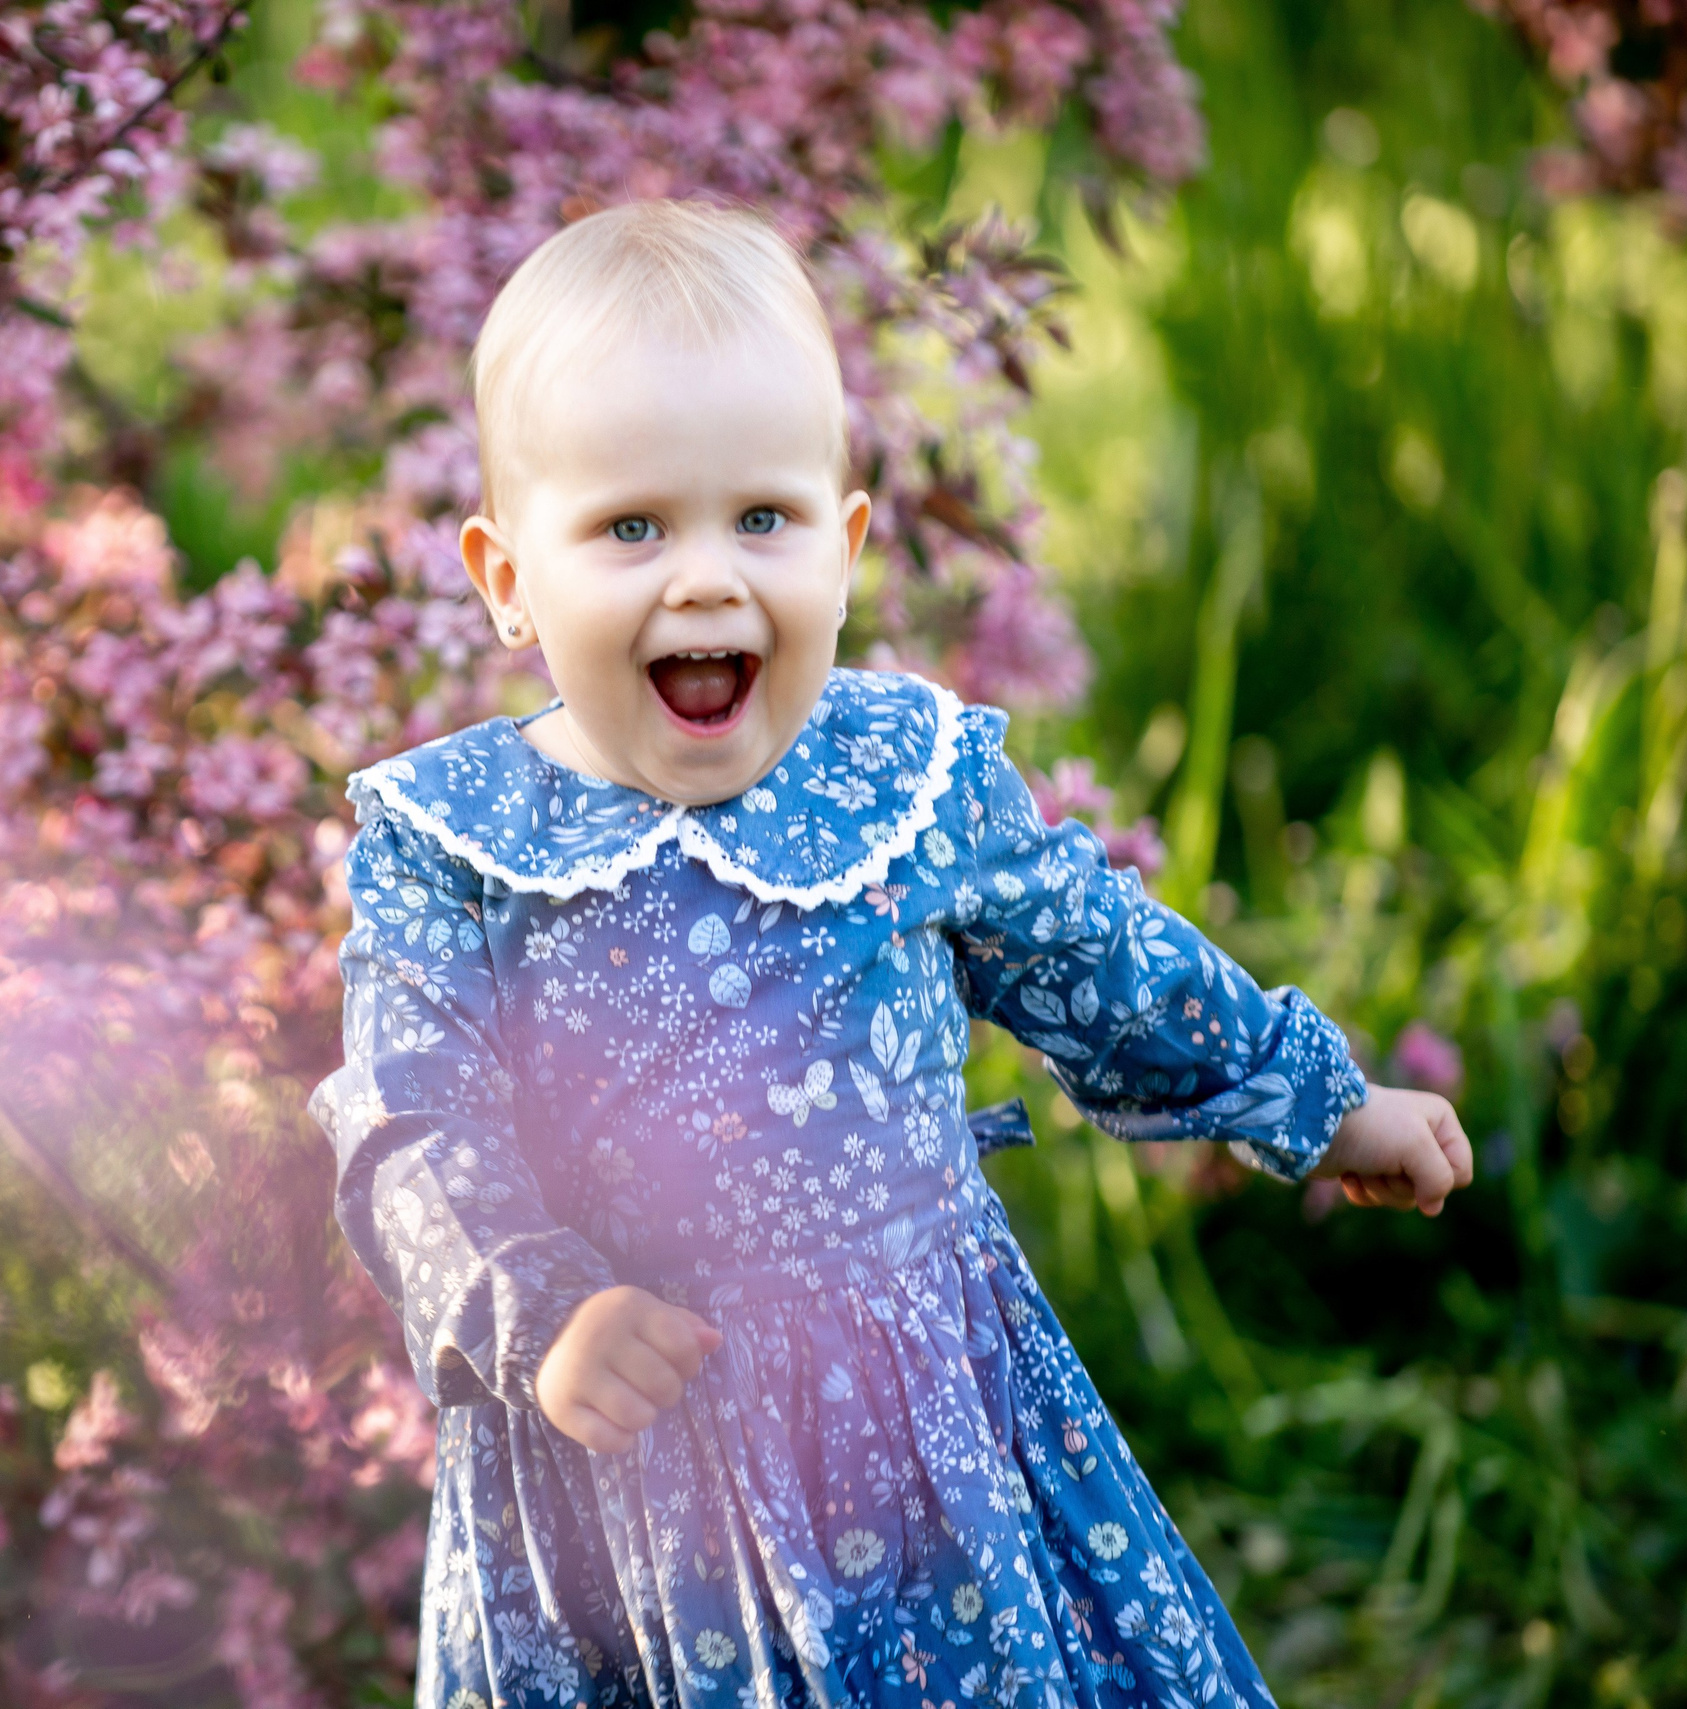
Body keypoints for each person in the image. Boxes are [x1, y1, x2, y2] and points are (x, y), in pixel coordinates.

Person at [307, 200, 1471, 1709]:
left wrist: (1309, 1101)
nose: (709, 579)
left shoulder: (902, 776)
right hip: (627, 1492)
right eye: (633, 527)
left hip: (910, 1440)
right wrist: (537, 1306)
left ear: (848, 548)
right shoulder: (452, 843)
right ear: (507, 574)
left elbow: (1094, 953)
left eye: (765, 519)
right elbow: (409, 1119)